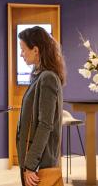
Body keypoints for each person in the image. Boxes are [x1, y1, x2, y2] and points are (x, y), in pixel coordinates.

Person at [16, 26, 66, 186]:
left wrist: (30, 164)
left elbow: (45, 125)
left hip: (40, 162)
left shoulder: (48, 78)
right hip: (34, 158)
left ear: (36, 50)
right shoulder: (39, 76)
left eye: (23, 49)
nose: (21, 54)